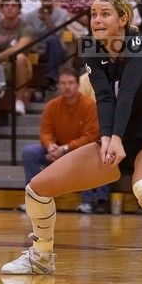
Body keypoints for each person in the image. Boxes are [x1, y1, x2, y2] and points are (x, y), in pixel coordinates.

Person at [1, 0, 142, 284]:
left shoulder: (139, 45)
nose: (97, 20)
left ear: (123, 19)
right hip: (112, 142)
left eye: (105, 14)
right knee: (37, 189)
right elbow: (104, 98)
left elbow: (126, 92)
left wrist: (114, 137)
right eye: (93, 15)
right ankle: (41, 256)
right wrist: (107, 138)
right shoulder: (91, 47)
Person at [20, 68, 107, 213]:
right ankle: (36, 199)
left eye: (71, 83)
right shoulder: (52, 106)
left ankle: (87, 202)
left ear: (78, 85)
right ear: (59, 86)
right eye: (63, 83)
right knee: (29, 152)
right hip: (57, 150)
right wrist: (50, 146)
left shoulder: (90, 105)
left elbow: (90, 137)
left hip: (79, 152)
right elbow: (45, 132)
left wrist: (66, 148)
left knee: (92, 153)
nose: (67, 87)